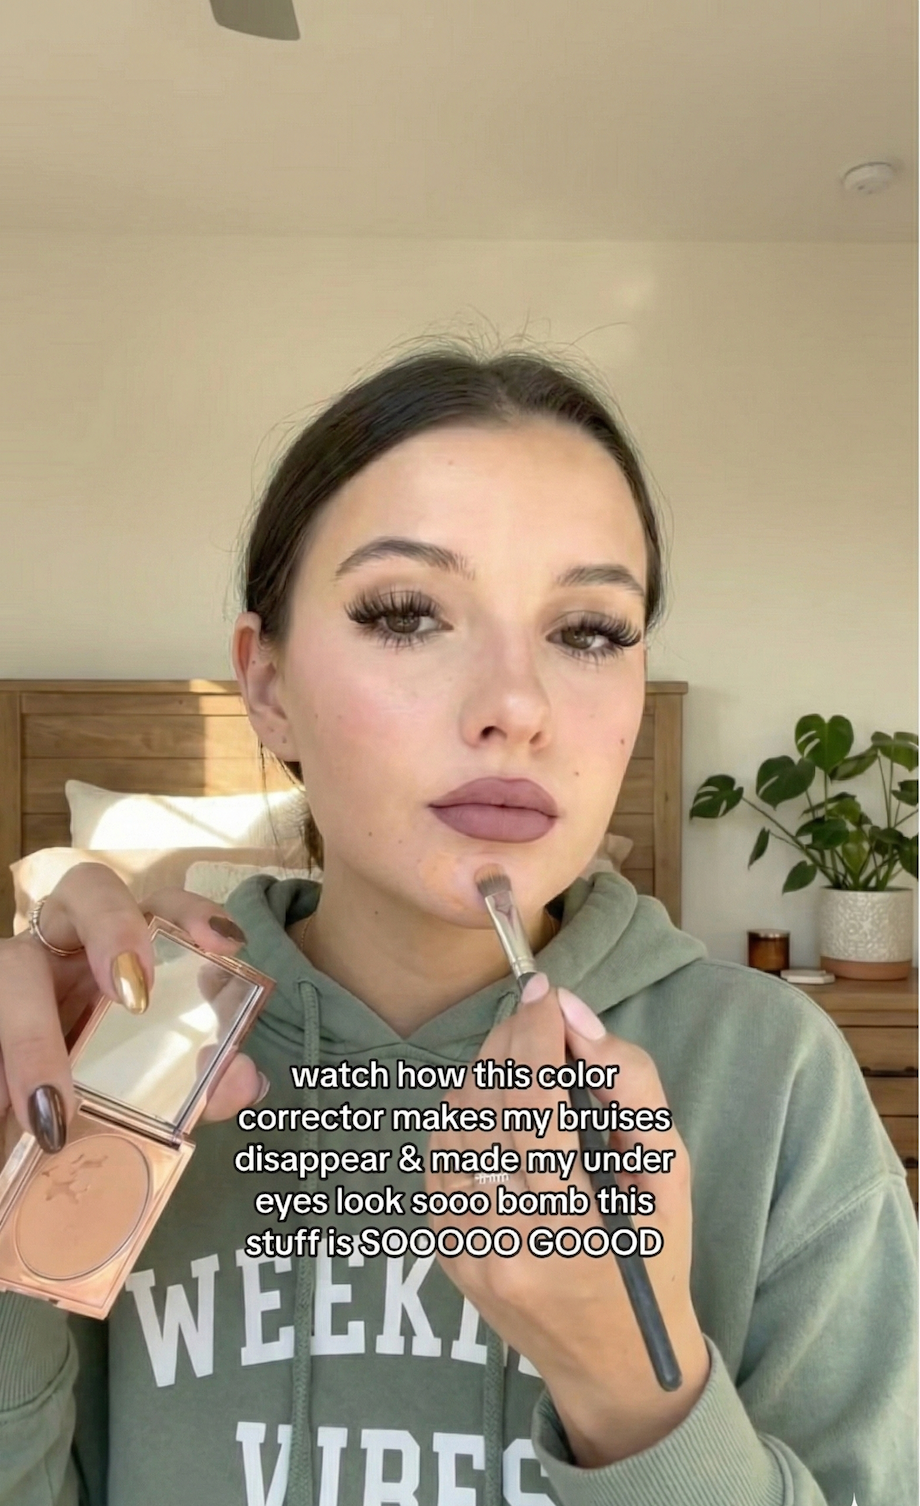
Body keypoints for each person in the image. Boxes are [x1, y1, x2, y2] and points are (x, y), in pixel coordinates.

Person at [0, 346, 916, 1506]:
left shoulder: (768, 1074)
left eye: (588, 631)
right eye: (405, 614)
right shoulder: (124, 1051)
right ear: (268, 688)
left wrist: (630, 1392)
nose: (516, 707)